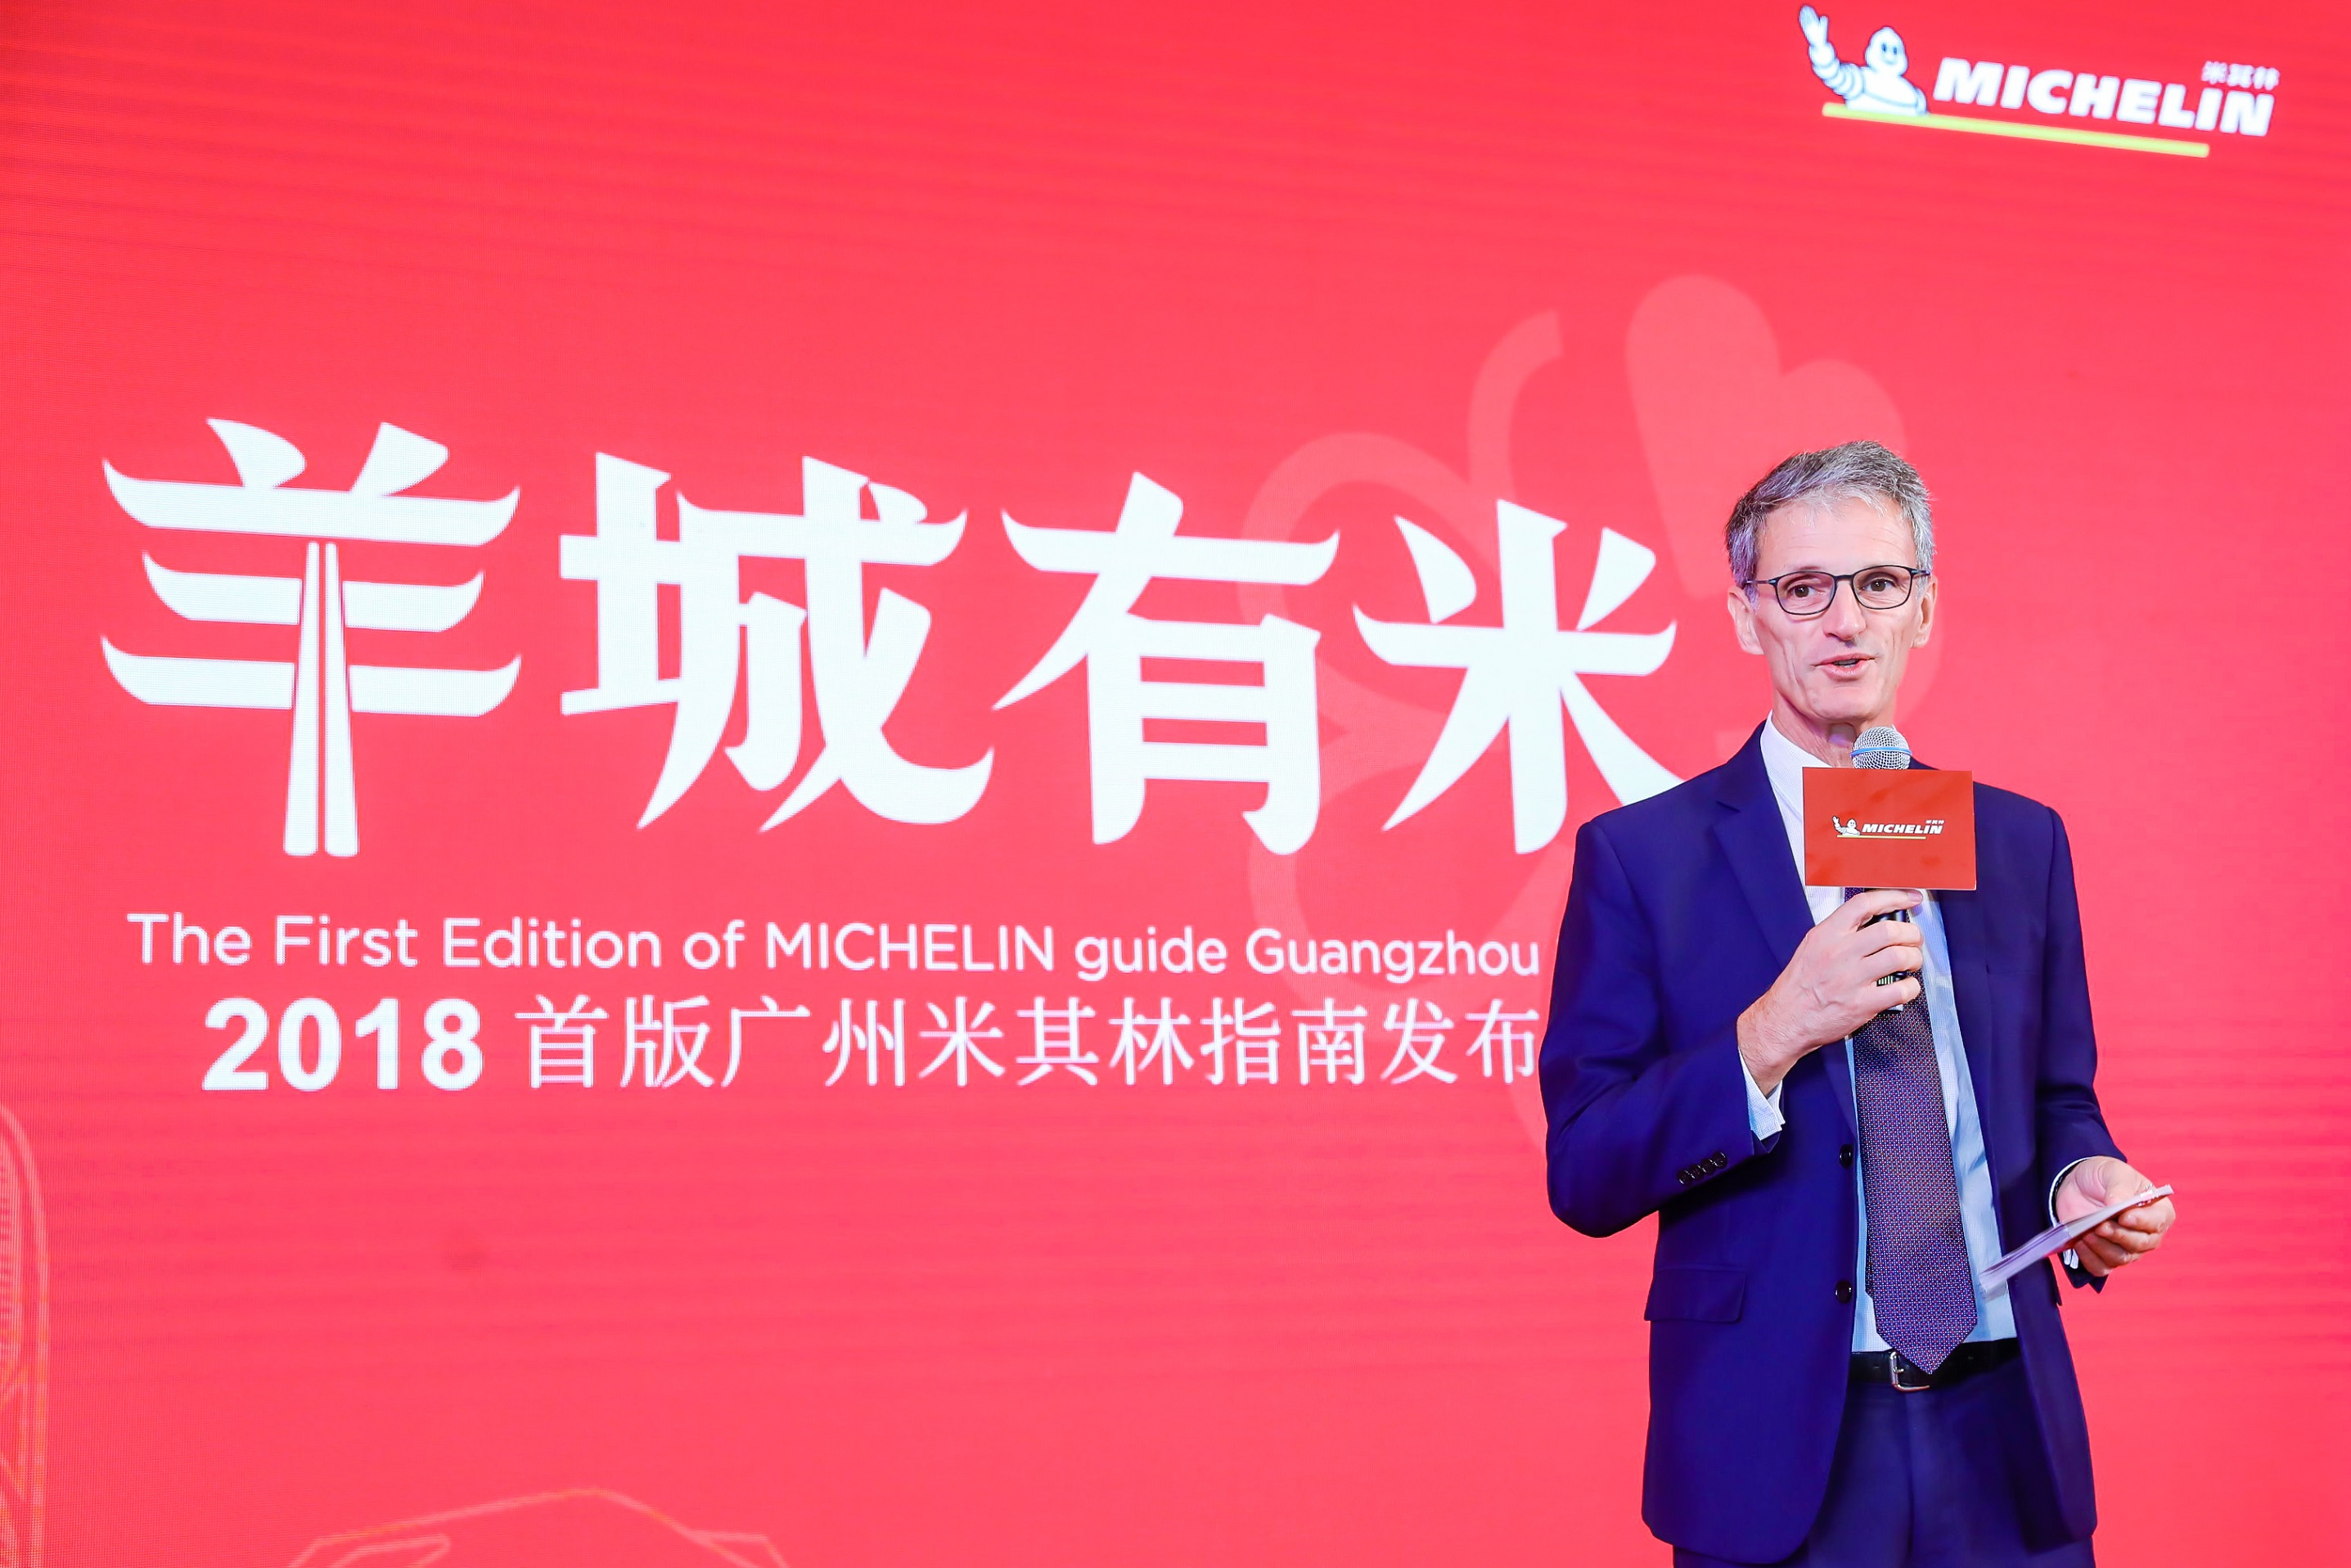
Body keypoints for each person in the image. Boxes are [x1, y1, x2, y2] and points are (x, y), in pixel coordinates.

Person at [1539, 441, 2175, 1566]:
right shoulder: (1645, 859)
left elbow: (2058, 1099)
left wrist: (2083, 1180)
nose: (1846, 622)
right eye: (1803, 588)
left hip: (2004, 1423)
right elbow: (1586, 1171)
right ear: (1746, 618)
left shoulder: (2016, 841)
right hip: (1778, 1439)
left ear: (1922, 608)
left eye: (1879, 583)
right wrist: (1770, 1033)